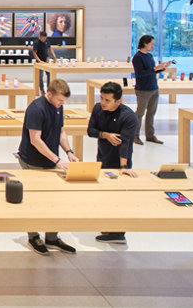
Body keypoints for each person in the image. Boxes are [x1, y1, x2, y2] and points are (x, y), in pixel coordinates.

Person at [17, 79, 79, 256]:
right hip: (32, 161)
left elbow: (61, 131)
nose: (62, 104)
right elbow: (35, 140)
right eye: (59, 100)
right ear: (49, 94)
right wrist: (57, 160)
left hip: (50, 160)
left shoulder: (58, 106)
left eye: (64, 101)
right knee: (34, 201)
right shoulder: (36, 109)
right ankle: (33, 237)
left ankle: (52, 237)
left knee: (54, 200)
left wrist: (69, 152)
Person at [87, 81, 138, 244]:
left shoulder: (129, 117)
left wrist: (123, 167)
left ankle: (118, 233)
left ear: (119, 101)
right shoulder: (97, 109)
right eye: (101, 98)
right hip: (102, 158)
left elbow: (125, 143)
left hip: (119, 161)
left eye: (107, 100)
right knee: (104, 193)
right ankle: (109, 225)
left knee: (118, 197)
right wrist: (105, 135)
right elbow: (91, 131)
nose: (103, 102)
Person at [132, 35, 171, 145]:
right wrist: (154, 68)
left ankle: (150, 135)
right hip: (143, 90)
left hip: (154, 88)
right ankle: (135, 135)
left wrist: (162, 68)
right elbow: (140, 74)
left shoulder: (149, 56)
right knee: (140, 113)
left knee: (151, 113)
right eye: (151, 44)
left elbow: (152, 71)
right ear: (145, 43)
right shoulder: (137, 57)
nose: (153, 46)